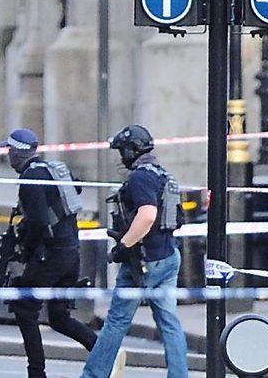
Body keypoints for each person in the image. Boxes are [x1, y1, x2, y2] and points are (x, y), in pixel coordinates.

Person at [80, 124, 189, 378]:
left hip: (143, 261)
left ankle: (93, 375)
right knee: (169, 323)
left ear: (132, 150)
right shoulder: (162, 173)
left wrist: (123, 246)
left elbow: (148, 215)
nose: (121, 157)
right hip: (168, 257)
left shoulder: (141, 177)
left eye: (122, 151)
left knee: (117, 322)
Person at [3, 128, 98, 378]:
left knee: (25, 308)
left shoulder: (30, 180)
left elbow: (39, 224)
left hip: (52, 256)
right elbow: (74, 189)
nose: (7, 156)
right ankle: (102, 350)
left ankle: (37, 373)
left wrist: (25, 251)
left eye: (9, 150)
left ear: (16, 153)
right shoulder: (52, 169)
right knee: (58, 315)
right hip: (71, 252)